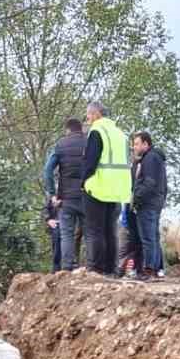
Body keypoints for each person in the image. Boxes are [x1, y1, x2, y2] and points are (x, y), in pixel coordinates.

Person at [81, 101, 132, 275]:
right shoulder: (121, 134)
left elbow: (90, 161)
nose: (87, 119)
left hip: (99, 186)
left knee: (95, 230)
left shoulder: (97, 131)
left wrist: (84, 182)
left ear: (96, 114)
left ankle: (97, 268)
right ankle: (111, 269)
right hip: (118, 189)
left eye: (88, 115)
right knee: (111, 230)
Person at [42, 117, 87, 271]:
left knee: (66, 234)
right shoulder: (89, 142)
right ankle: (93, 268)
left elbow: (48, 170)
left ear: (67, 130)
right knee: (90, 233)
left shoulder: (61, 144)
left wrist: (52, 194)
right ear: (81, 129)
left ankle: (67, 268)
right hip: (87, 196)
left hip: (66, 198)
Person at [131, 132, 168, 279]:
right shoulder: (154, 158)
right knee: (153, 236)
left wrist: (136, 197)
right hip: (155, 202)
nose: (134, 147)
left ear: (146, 144)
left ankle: (149, 270)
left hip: (148, 203)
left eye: (137, 144)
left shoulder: (150, 158)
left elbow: (149, 182)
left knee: (148, 238)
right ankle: (157, 270)